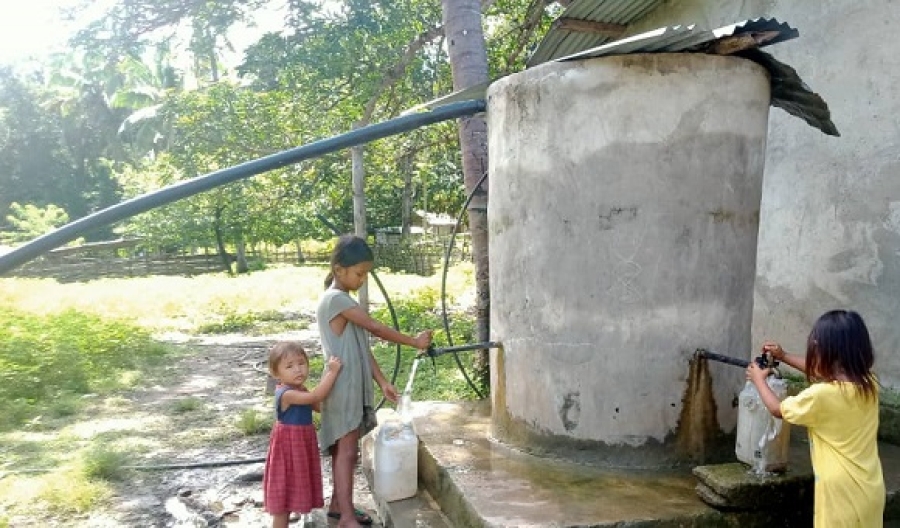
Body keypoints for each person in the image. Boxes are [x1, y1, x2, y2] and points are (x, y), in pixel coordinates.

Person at [317, 234, 433, 527]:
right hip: (342, 388)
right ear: (339, 268)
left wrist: (382, 381)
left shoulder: (344, 301)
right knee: (345, 453)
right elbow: (376, 328)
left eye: (366, 274)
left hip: (351, 386)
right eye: (359, 273)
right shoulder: (335, 299)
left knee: (346, 451)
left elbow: (362, 347)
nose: (362, 279)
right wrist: (414, 341)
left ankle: (337, 506)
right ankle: (345, 516)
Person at [746, 309, 885, 527]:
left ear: (825, 354)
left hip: (839, 495)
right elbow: (821, 372)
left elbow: (777, 409)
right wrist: (784, 356)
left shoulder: (821, 396)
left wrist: (758, 380)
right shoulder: (869, 384)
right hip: (870, 488)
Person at [263, 341, 343, 528]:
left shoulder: (300, 389)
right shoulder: (286, 393)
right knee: (283, 501)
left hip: (300, 443)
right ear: (276, 374)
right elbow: (315, 398)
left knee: (293, 489)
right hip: (289, 446)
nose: (297, 370)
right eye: (289, 366)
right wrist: (331, 373)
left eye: (301, 363)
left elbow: (318, 406)